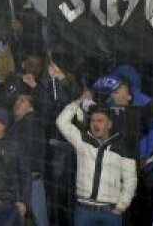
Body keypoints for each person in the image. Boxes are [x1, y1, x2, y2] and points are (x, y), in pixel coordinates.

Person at [55, 93, 137, 224]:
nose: (95, 124)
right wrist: (78, 101)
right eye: (93, 121)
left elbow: (130, 180)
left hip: (110, 213)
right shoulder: (82, 141)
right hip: (84, 211)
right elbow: (61, 121)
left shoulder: (122, 146)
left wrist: (122, 206)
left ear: (109, 124)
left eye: (100, 121)